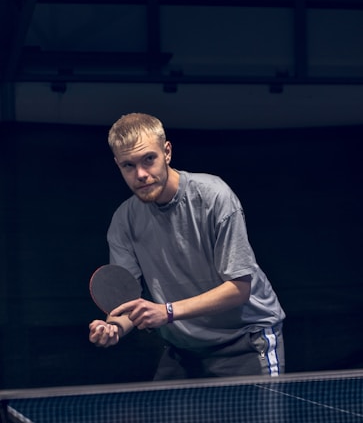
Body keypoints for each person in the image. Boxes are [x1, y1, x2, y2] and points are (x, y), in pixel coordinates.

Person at [89, 112, 286, 379]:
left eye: (149, 159)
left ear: (167, 152)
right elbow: (129, 305)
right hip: (184, 348)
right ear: (118, 166)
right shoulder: (124, 220)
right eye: (129, 165)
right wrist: (114, 327)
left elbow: (239, 288)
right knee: (165, 422)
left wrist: (167, 312)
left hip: (245, 341)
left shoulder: (214, 196)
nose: (142, 174)